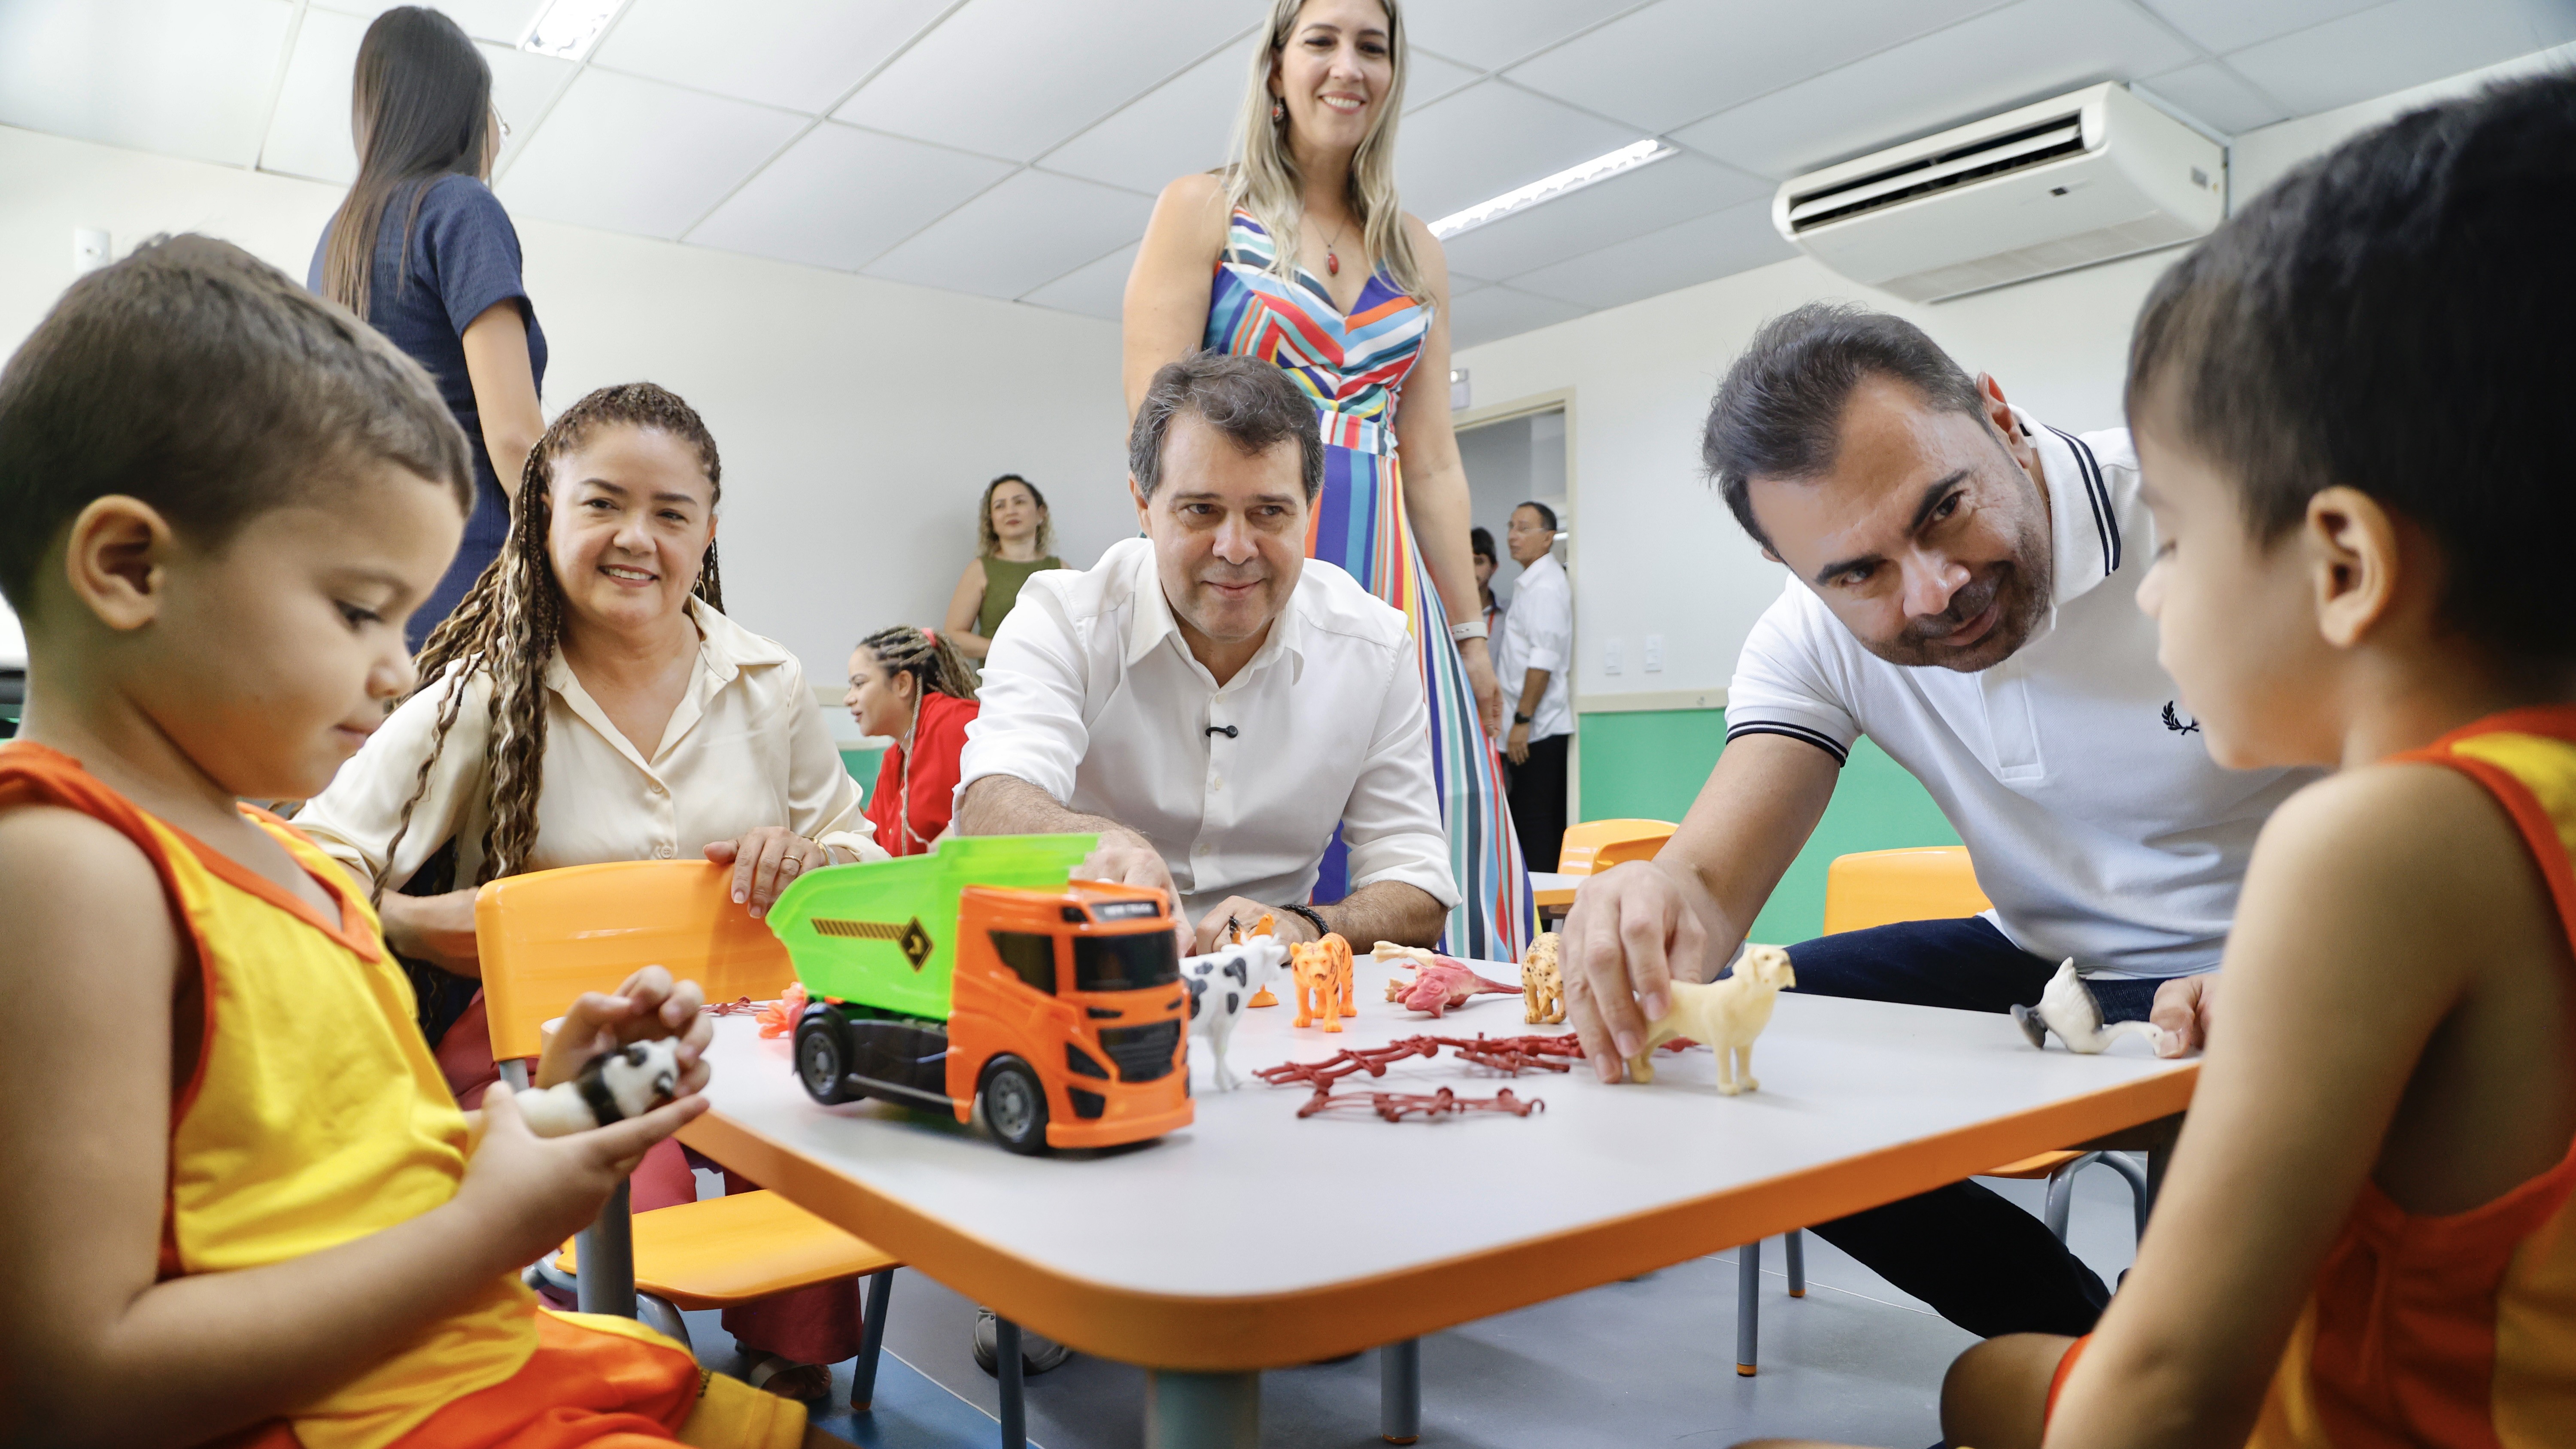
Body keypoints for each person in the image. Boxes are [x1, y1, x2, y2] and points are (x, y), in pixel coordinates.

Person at [1754, 73, 2576, 1449]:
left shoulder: (2375, 847)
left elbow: (2156, 1405)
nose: (2145, 593)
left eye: (2179, 541)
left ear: (2340, 564)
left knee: (1971, 1385)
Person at [0, 235, 843, 1448]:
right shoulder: (68, 865)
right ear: (129, 566)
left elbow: (352, 1169)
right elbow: (79, 1380)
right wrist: (493, 1225)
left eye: (402, 616)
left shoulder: (267, 861)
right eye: (357, 610)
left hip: (477, 1358)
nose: (398, 666)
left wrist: (554, 1106)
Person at [1560, 302, 2314, 1341]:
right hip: (2042, 957)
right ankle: (2063, 1337)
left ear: (2001, 418)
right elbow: (1705, 886)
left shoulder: (2202, 514)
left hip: (2268, 960)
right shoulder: (1810, 637)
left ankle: (2125, 1373)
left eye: (1944, 510)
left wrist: (2314, 963)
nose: (1936, 591)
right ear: (1801, 577)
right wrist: (1646, 904)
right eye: (1859, 572)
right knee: (1729, 1043)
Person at [295, 381, 884, 1405]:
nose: (635, 539)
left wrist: (813, 860)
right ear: (545, 516)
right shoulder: (484, 691)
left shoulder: (771, 681)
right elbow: (309, 855)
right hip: (552, 1042)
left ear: (708, 533)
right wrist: (406, 923)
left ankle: (786, 1368)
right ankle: (620, 1375)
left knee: (812, 1164)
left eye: (671, 513)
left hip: (745, 1031)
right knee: (621, 1219)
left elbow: (861, 852)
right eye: (602, 503)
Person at [954, 353, 1459, 1378]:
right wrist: (1090, 842)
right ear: (1140, 502)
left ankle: (1283, 1250)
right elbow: (987, 804)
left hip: (1264, 978)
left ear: (1313, 507)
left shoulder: (1376, 644)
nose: (1236, 550)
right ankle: (1062, 1264)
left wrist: (1310, 928)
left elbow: (1419, 885)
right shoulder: (1057, 615)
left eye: (1270, 512)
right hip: (1080, 965)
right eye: (1198, 511)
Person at [1123, 0, 1530, 961]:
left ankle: (1459, 1051)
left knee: (1433, 819)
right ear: (1275, 67)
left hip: (1392, 570)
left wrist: (1471, 638)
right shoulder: (1204, 209)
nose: (1348, 66)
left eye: (1373, 47)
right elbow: (1152, 432)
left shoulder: (1414, 249)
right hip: (1255, 554)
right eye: (1323, 40)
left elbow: (1430, 457)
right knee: (1271, 805)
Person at [311, 6, 545, 653]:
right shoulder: (461, 207)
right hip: (473, 577)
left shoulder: (337, 243)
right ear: (465, 114)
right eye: (494, 113)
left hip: (370, 591)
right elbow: (515, 434)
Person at [846, 625, 979, 857]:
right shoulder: (894, 759)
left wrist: (963, 827)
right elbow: (874, 844)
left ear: (902, 684)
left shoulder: (961, 722)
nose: (849, 698)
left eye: (859, 684)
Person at [1497, 501, 1571, 872]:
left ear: (1548, 538)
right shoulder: (1531, 583)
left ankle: (1542, 927)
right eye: (1511, 526)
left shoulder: (1544, 586)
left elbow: (1543, 661)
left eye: (1524, 528)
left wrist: (1522, 720)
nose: (1513, 535)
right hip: (1530, 729)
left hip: (1537, 732)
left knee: (1536, 829)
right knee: (1529, 826)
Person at [941, 474, 1062, 663]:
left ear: (1041, 513)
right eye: (1000, 506)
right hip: (997, 684)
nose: (1010, 511)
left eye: (1019, 502)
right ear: (991, 522)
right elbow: (953, 637)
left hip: (1054, 681)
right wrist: (1009, 648)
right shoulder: (979, 570)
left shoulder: (1061, 570)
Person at [1470, 524, 1503, 634]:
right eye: (1465, 562)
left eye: (1479, 562)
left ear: (1494, 567)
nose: (1470, 569)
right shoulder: (1443, 612)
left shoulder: (1510, 613)